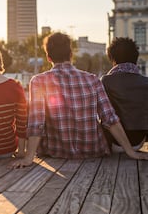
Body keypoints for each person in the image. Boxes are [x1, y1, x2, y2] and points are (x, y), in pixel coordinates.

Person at [9, 32, 148, 169]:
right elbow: (110, 119)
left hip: (56, 151)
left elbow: (36, 122)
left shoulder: (38, 81)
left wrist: (29, 157)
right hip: (93, 150)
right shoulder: (92, 79)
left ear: (48, 57)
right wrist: (130, 151)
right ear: (71, 55)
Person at [101, 37, 148, 151]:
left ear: (112, 59)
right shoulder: (146, 82)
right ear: (135, 58)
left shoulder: (106, 81)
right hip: (139, 141)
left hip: (113, 142)